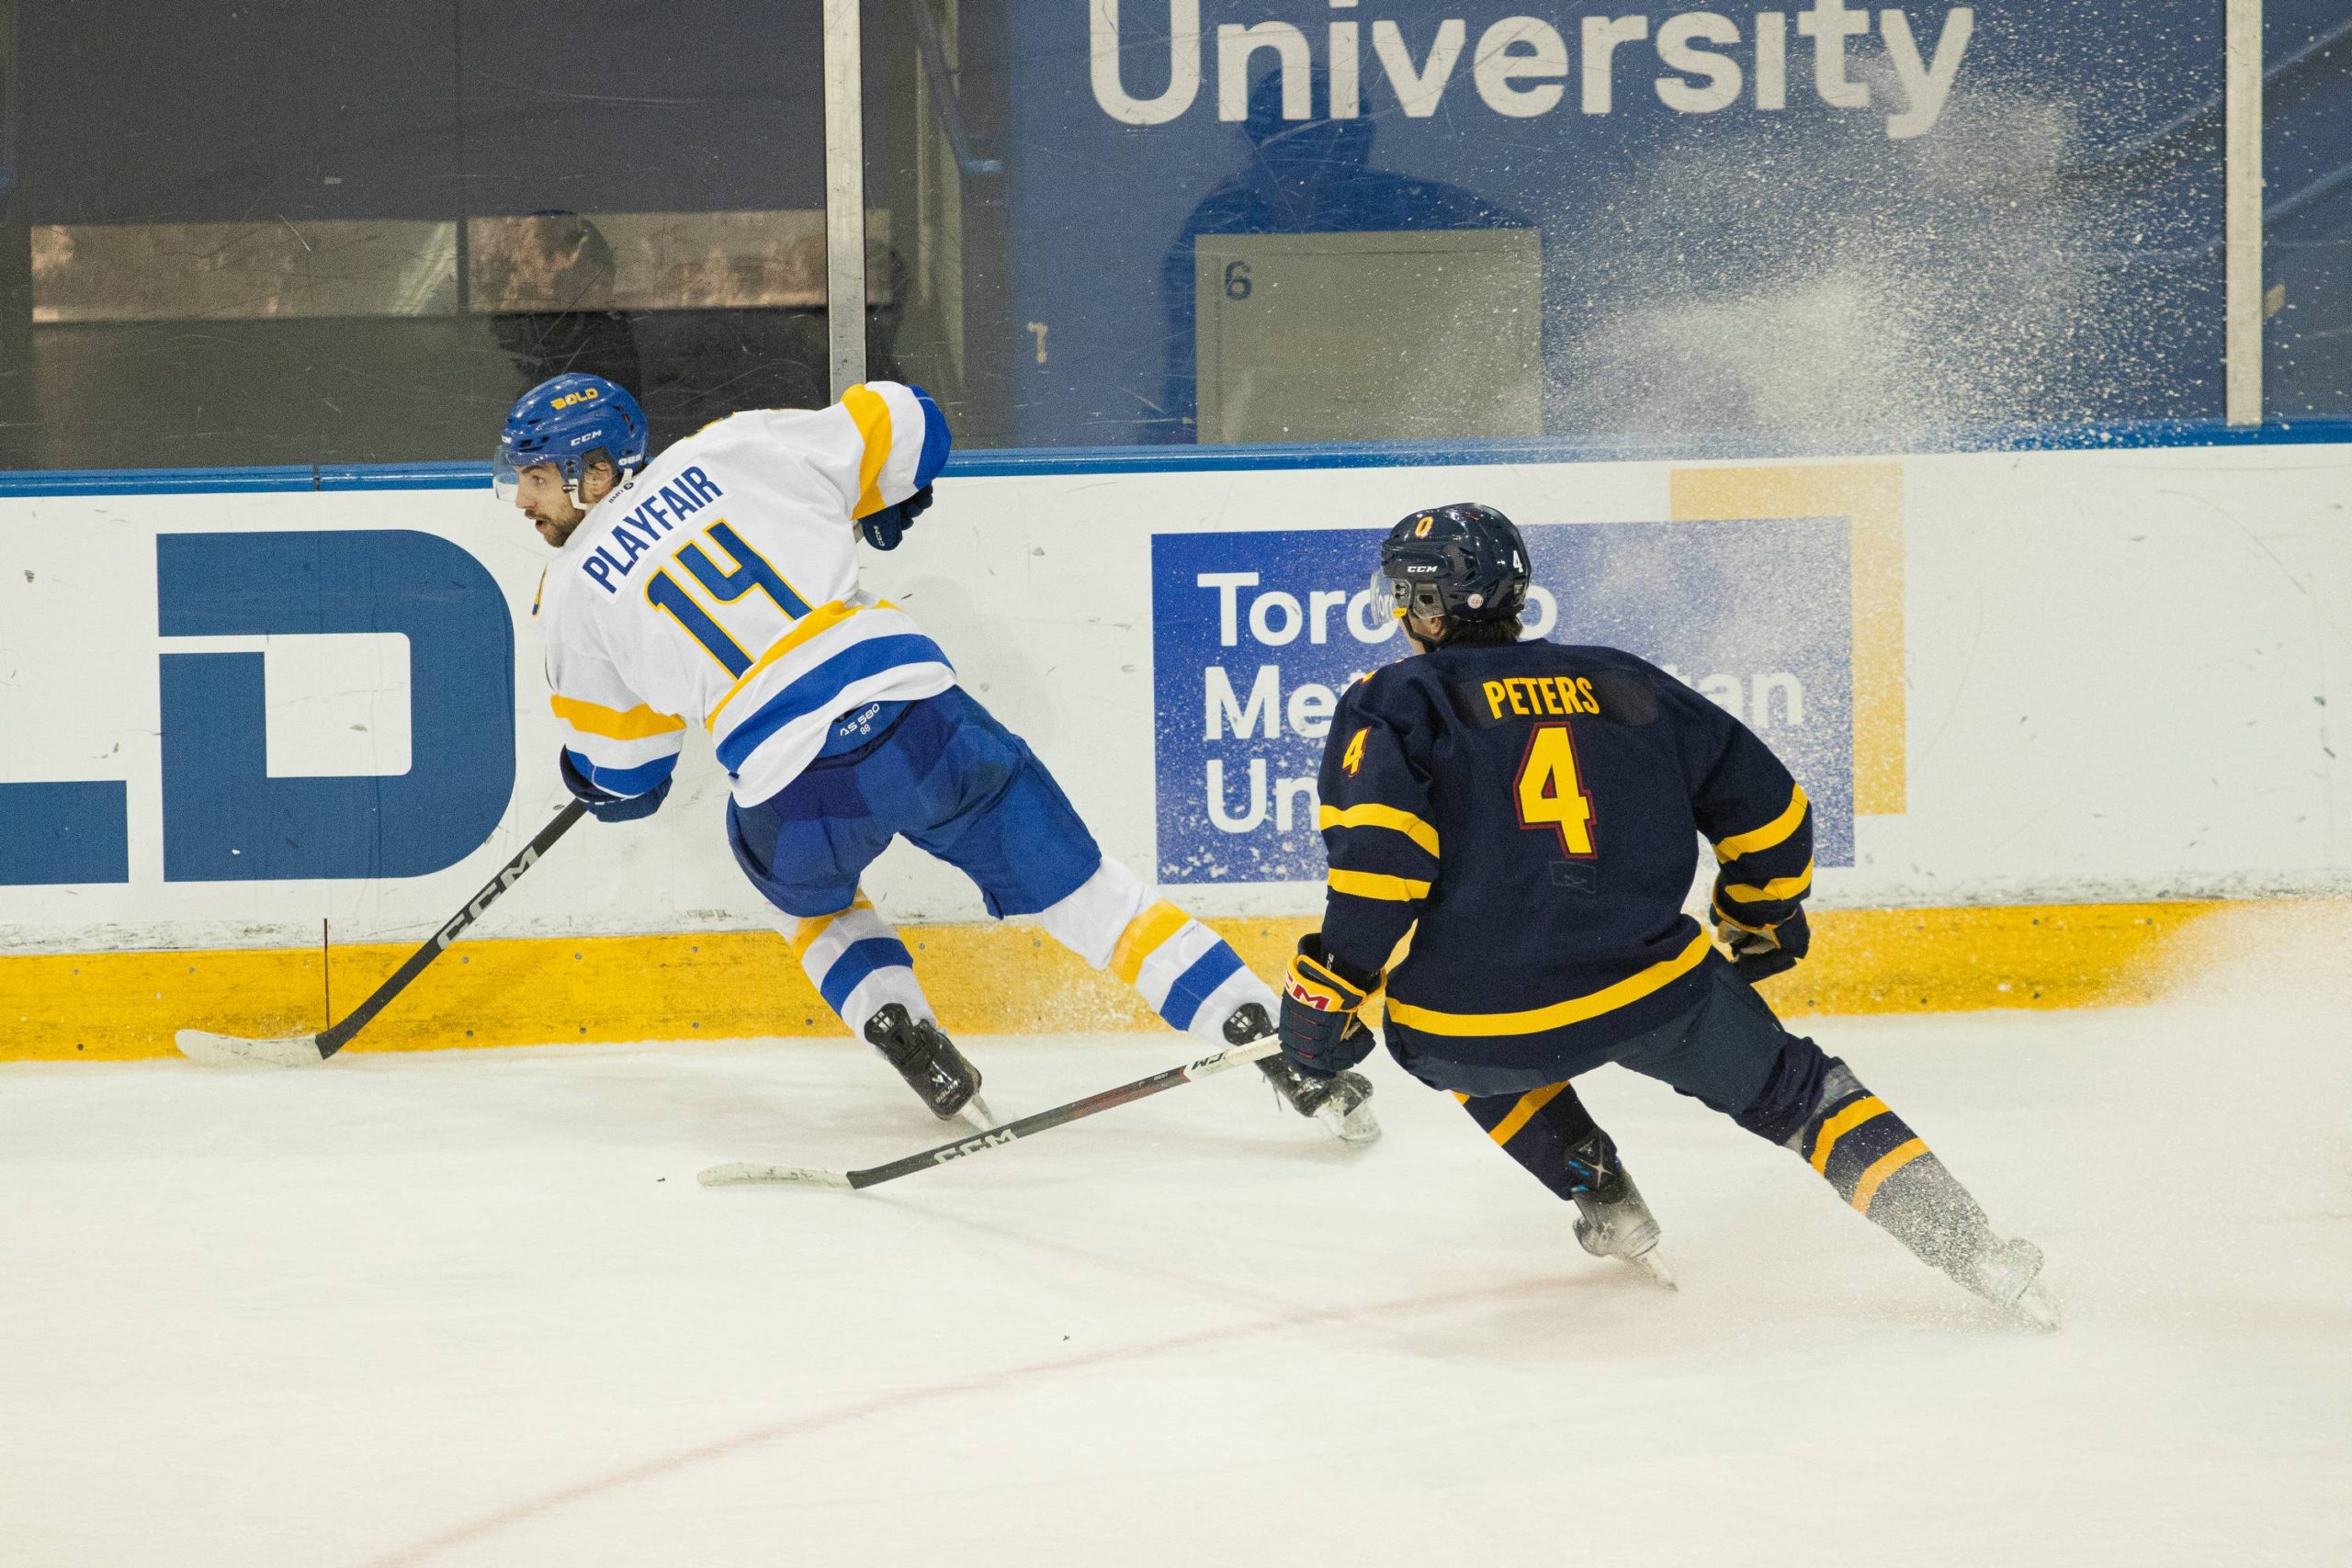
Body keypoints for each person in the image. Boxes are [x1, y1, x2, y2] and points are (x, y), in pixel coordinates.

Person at [494, 371, 1376, 1143]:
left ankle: (901, 1026)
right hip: (921, 722)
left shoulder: (569, 593)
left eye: (535, 478)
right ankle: (1270, 1040)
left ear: (596, 471)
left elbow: (632, 777)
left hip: (789, 787)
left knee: (810, 904)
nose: (524, 500)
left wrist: (595, 780)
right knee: (1090, 893)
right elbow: (911, 421)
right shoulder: (736, 445)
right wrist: (891, 492)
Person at [1274, 502, 2053, 1323]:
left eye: (1408, 593)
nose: (1402, 611)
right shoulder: (1620, 679)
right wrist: (1757, 914)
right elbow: (1773, 810)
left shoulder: (1393, 699)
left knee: (1449, 1037)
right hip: (1655, 991)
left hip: (1474, 1018)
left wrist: (1326, 994)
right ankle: (1975, 1249)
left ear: (1432, 605)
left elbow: (1379, 873)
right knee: (1805, 1094)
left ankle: (1603, 1195)